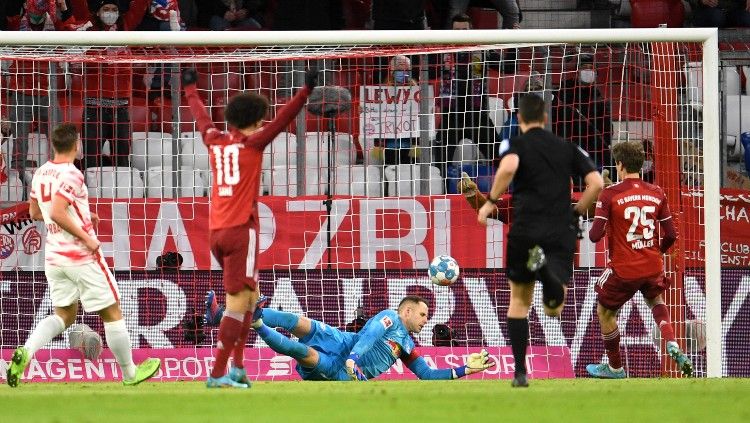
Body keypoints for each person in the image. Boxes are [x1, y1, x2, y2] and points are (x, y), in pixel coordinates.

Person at [181, 66, 318, 388]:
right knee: (239, 304)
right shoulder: (254, 144)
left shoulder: (215, 141)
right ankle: (217, 373)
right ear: (256, 120)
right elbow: (284, 120)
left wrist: (190, 90)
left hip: (217, 233)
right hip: (241, 231)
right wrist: (304, 92)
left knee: (252, 298)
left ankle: (239, 367)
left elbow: (201, 119)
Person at [6, 123, 161, 388]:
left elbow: (35, 212)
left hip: (54, 256)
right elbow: (56, 211)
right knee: (112, 311)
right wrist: (87, 236)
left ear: (54, 145)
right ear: (76, 145)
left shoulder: (42, 172)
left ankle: (26, 352)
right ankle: (129, 373)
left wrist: (84, 216)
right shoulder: (72, 174)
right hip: (80, 255)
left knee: (64, 316)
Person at [477, 93, 604, 387]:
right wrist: (578, 210)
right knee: (553, 308)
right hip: (560, 229)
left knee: (519, 302)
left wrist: (490, 200)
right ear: (545, 119)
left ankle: (520, 372)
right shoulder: (567, 147)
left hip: (526, 229)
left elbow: (508, 168)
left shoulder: (514, 143)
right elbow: (596, 182)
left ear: (519, 118)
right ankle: (547, 273)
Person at [585, 140, 693, 378]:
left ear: (619, 164)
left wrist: (603, 212)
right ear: (641, 164)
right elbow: (671, 234)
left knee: (604, 311)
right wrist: (657, 252)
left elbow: (593, 236)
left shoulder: (610, 194)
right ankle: (672, 343)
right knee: (656, 301)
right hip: (652, 264)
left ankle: (615, 368)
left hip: (624, 268)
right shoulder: (657, 192)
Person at [251, 295, 495, 381]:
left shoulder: (407, 346)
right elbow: (371, 333)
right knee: (303, 323)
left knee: (302, 352)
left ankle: (257, 323)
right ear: (406, 311)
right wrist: (353, 358)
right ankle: (243, 314)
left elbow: (427, 375)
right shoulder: (390, 316)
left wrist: (465, 369)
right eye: (422, 314)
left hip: (342, 372)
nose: (425, 320)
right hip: (344, 344)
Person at [77, 0, 149, 169]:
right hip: (94, 109)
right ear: (98, 12)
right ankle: (91, 194)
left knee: (122, 160)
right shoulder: (90, 28)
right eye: (106, 9)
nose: (110, 13)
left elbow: (139, 6)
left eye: (114, 9)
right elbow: (79, 6)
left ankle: (121, 194)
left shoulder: (126, 27)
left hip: (121, 108)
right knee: (91, 161)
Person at [436, 14, 500, 184]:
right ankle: (442, 190)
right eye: (457, 30)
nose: (461, 34)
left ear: (471, 30)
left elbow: (508, 66)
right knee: (439, 159)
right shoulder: (441, 51)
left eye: (464, 30)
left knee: (499, 153)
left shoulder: (483, 49)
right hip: (451, 116)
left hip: (477, 115)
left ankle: (502, 190)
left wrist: (514, 41)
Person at [552, 53, 612, 175]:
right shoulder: (564, 91)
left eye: (591, 68)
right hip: (567, 145)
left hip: (591, 148)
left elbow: (606, 129)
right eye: (585, 68)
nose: (588, 71)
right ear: (577, 71)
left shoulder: (599, 98)